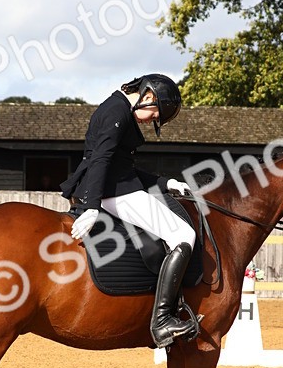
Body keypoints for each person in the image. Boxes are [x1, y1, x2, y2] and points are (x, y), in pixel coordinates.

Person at [59, 74, 197, 348]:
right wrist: (92, 206)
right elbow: (101, 159)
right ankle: (162, 320)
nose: (152, 119)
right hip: (114, 193)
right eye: (155, 112)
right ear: (148, 96)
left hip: (116, 186)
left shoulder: (119, 108)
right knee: (184, 235)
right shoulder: (117, 112)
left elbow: (124, 168)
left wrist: (165, 183)